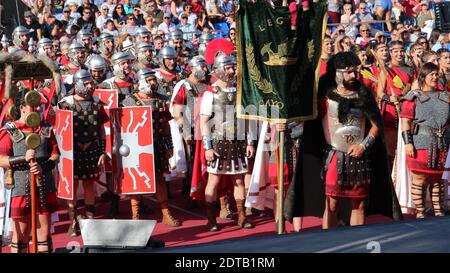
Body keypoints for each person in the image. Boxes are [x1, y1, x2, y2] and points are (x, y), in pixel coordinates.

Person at [284, 51, 403, 229]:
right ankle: (330, 242)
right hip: (334, 157)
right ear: (336, 72)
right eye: (348, 71)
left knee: (360, 205)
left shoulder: (364, 94)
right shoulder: (323, 96)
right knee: (331, 204)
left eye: (355, 71)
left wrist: (364, 145)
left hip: (360, 159)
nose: (353, 75)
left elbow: (376, 125)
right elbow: (305, 116)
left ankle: (357, 243)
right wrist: (283, 122)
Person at [198, 45, 255, 231]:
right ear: (218, 70)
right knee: (213, 181)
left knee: (239, 180)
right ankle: (211, 219)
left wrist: (249, 141)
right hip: (219, 142)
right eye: (228, 67)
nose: (232, 71)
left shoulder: (240, 91)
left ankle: (241, 216)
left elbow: (247, 117)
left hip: (238, 142)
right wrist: (207, 147)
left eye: (233, 67)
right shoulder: (210, 93)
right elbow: (204, 121)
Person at [0, 89, 59, 252]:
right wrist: (22, 159)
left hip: (43, 186)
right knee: (20, 238)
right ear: (22, 107)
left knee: (44, 237)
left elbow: (55, 155)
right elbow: (1, 159)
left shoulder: (45, 129)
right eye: (34, 105)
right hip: (19, 187)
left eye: (39, 106)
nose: (38, 109)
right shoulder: (10, 130)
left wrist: (43, 166)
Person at [120, 68, 181, 226]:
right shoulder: (129, 102)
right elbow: (124, 128)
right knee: (136, 180)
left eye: (154, 79)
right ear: (140, 82)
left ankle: (166, 212)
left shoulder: (161, 99)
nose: (153, 83)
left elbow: (166, 125)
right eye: (149, 80)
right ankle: (136, 215)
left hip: (158, 144)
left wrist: (169, 145)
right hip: (136, 148)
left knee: (160, 179)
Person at [58, 70, 109, 237]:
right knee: (71, 187)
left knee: (89, 185)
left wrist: (103, 151)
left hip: (92, 149)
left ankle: (89, 220)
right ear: (76, 84)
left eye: (90, 83)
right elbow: (60, 130)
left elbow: (101, 129)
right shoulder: (65, 104)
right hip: (71, 151)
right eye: (86, 83)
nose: (90, 86)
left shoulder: (97, 103)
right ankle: (73, 220)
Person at [400, 62, 449, 218]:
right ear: (423, 77)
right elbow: (406, 121)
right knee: (420, 178)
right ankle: (420, 212)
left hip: (442, 143)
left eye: (437, 74)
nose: (435, 77)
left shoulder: (446, 96)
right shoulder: (413, 97)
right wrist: (408, 142)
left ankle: (438, 211)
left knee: (438, 178)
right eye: (432, 74)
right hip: (420, 142)